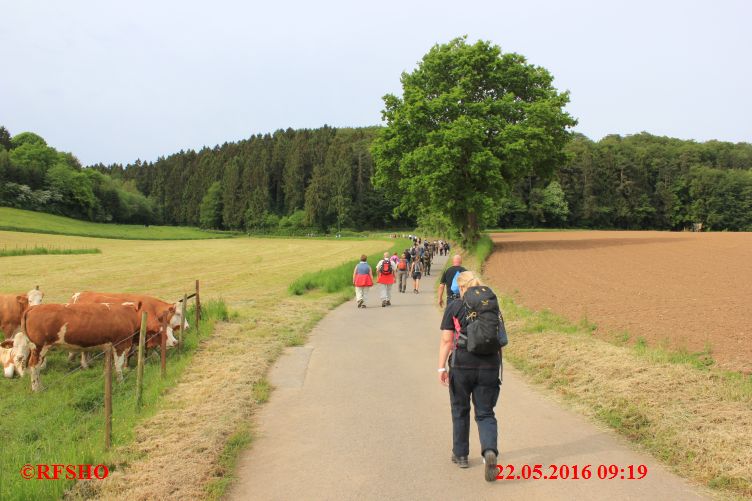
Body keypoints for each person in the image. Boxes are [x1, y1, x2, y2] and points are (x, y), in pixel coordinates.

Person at [437, 271, 505, 482]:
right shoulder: (492, 307)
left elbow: (447, 341)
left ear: (460, 287)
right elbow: (500, 338)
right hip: (490, 364)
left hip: (462, 364)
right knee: (485, 412)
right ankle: (489, 451)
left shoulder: (455, 306)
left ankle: (461, 455)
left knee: (460, 409)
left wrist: (441, 368)